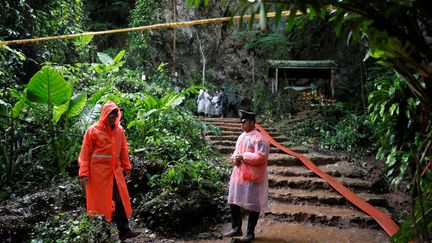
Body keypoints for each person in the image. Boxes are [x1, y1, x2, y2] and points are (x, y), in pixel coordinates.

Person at [78, 101, 140, 241]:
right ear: (104, 115)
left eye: (115, 115)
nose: (112, 118)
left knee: (120, 200)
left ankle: (124, 231)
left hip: (115, 172)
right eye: (110, 115)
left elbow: (123, 150)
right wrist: (83, 174)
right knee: (99, 205)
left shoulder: (119, 131)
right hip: (98, 175)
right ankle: (102, 234)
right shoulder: (93, 130)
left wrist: (127, 167)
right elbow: (84, 154)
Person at [223, 110, 270, 242]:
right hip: (239, 175)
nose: (241, 125)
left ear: (252, 122)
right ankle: (236, 228)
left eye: (244, 122)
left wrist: (243, 156)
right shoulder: (242, 136)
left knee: (254, 204)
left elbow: (261, 156)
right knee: (234, 201)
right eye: (241, 122)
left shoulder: (259, 138)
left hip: (254, 177)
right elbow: (235, 153)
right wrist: (234, 159)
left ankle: (250, 233)